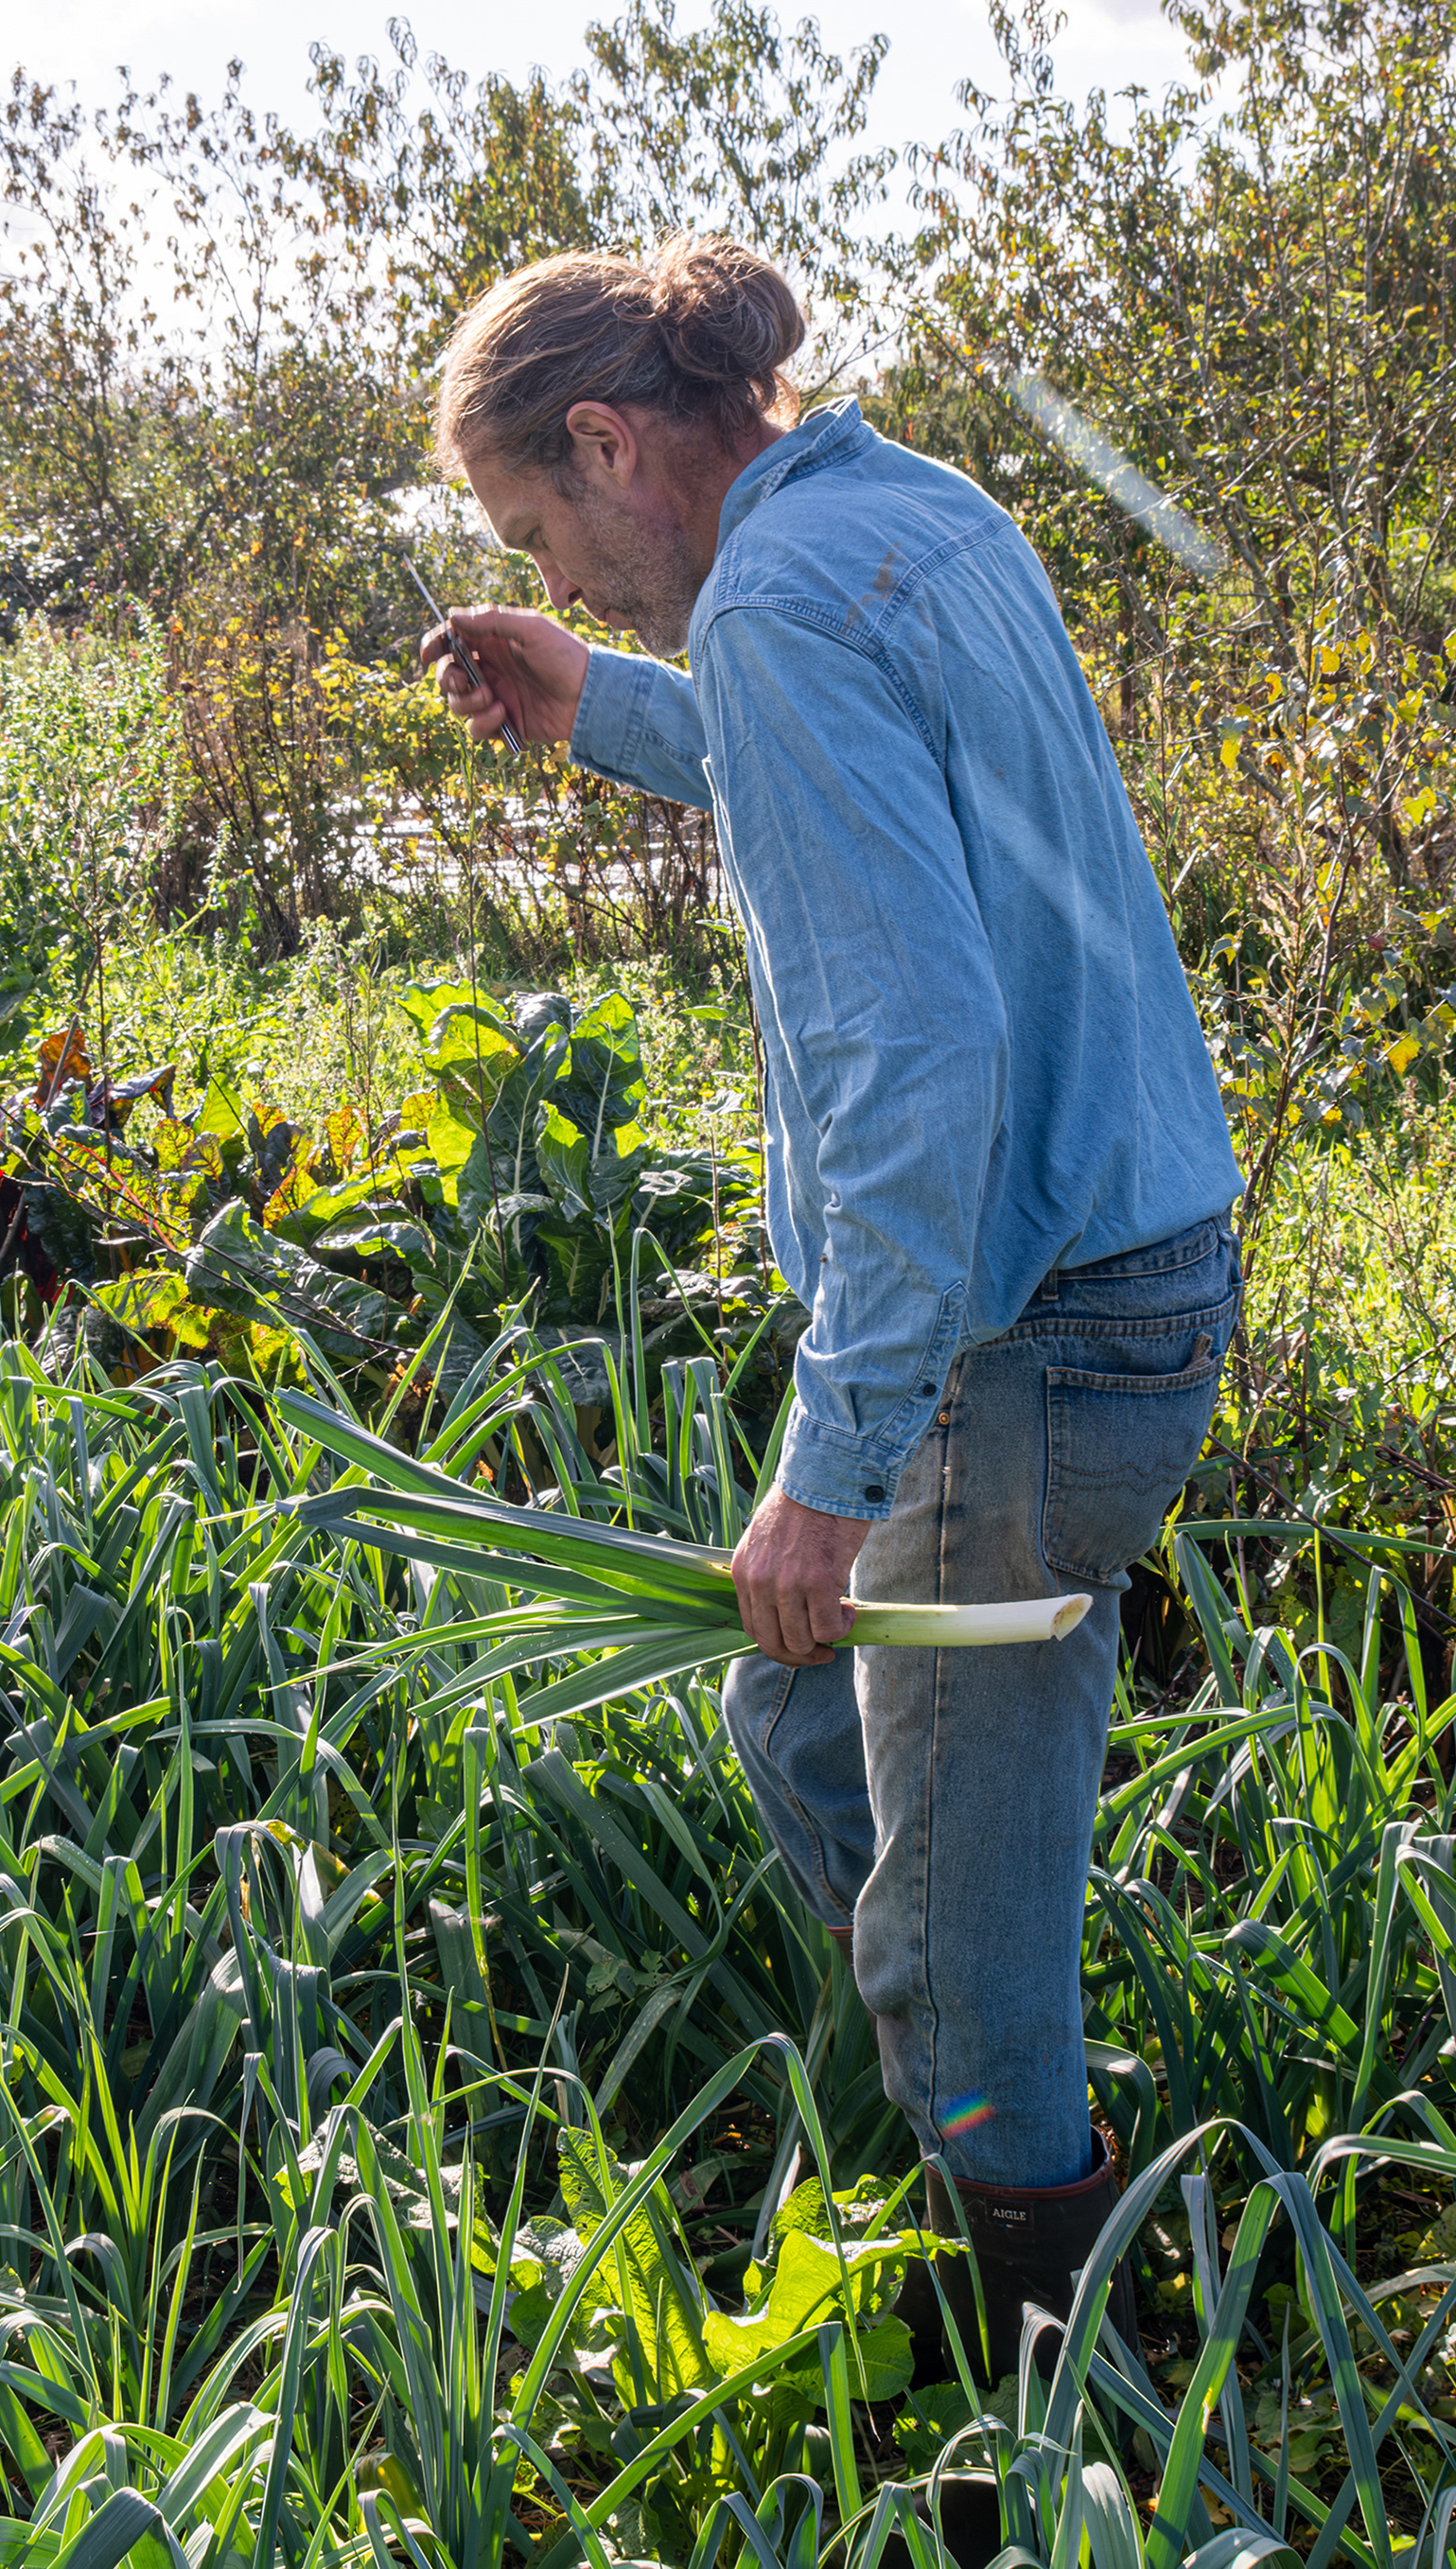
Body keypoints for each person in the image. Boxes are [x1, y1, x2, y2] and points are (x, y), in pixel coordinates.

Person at [420, 236, 1243, 2385]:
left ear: (609, 441)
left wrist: (832, 1466)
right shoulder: (909, 512)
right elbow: (849, 776)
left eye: (544, 534)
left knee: (949, 1955)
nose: (566, 577)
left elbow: (913, 1070)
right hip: (1134, 1267)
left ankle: (1085, 2383)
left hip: (1024, 1334)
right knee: (799, 1721)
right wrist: (603, 703)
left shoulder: (780, 600)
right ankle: (1008, 2046)